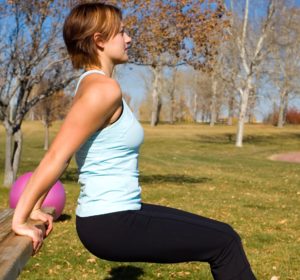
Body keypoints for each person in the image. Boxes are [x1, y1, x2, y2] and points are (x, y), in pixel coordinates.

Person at [12, 3, 256, 279]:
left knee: (222, 237)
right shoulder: (103, 89)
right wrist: (21, 218)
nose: (128, 39)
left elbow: (63, 152)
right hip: (111, 222)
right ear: (99, 40)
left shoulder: (91, 84)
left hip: (117, 215)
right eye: (122, 32)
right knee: (225, 242)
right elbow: (56, 155)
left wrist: (35, 207)